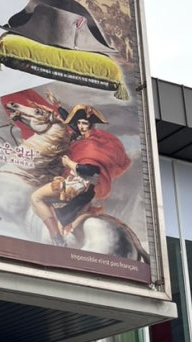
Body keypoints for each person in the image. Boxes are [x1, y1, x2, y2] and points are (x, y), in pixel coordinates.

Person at [30, 105, 131, 246]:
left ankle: (57, 238)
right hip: (77, 181)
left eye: (84, 123)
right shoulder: (85, 138)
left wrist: (69, 163)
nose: (80, 126)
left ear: (91, 125)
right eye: (79, 123)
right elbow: (70, 123)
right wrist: (58, 106)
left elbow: (91, 171)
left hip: (80, 185)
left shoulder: (92, 144)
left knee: (36, 197)